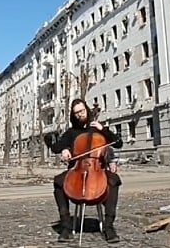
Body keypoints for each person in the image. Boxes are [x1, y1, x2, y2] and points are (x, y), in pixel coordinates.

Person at [43, 99, 123, 243]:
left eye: (82, 111)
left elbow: (118, 143)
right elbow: (57, 147)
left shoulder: (97, 129)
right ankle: (66, 226)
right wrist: (64, 149)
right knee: (58, 182)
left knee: (114, 181)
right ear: (73, 115)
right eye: (76, 113)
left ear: (86, 109)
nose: (80, 115)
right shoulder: (71, 133)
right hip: (76, 172)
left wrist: (103, 129)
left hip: (97, 170)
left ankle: (109, 226)